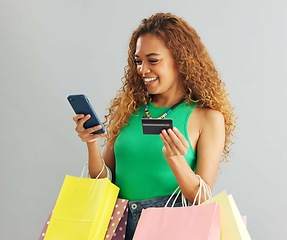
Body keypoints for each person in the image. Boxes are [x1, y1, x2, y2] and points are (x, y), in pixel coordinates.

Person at [73, 12, 235, 239]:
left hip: (170, 229)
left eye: (153, 60)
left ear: (181, 60)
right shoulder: (130, 109)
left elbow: (201, 198)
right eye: (138, 61)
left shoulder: (207, 118)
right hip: (117, 225)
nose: (142, 69)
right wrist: (91, 143)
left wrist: (176, 160)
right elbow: (103, 183)